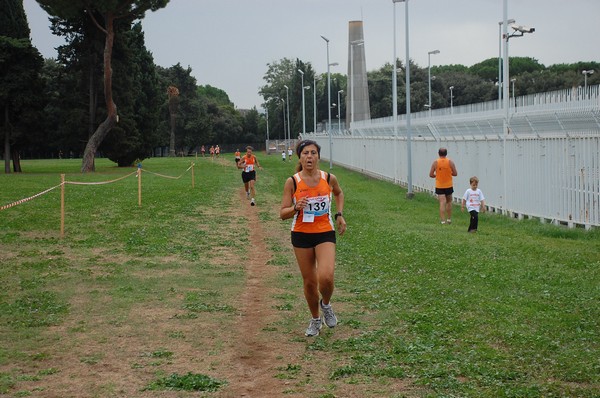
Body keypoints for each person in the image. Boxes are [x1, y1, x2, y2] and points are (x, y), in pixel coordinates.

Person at [280, 139, 347, 337]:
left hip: (324, 232)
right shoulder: (292, 182)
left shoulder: (328, 178)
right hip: (301, 234)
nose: (309, 156)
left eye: (313, 153)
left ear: (318, 156)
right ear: (300, 157)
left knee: (325, 277)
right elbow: (282, 213)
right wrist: (295, 207)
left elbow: (339, 193)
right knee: (310, 282)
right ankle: (316, 319)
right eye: (305, 153)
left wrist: (340, 214)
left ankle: (326, 304)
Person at [429, 147, 458, 224]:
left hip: (439, 185)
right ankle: (449, 219)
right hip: (448, 185)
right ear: (446, 154)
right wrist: (449, 173)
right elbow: (455, 173)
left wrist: (437, 175)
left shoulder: (435, 162)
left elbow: (431, 174)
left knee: (442, 202)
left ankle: (442, 221)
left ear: (438, 154)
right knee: (449, 202)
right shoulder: (450, 162)